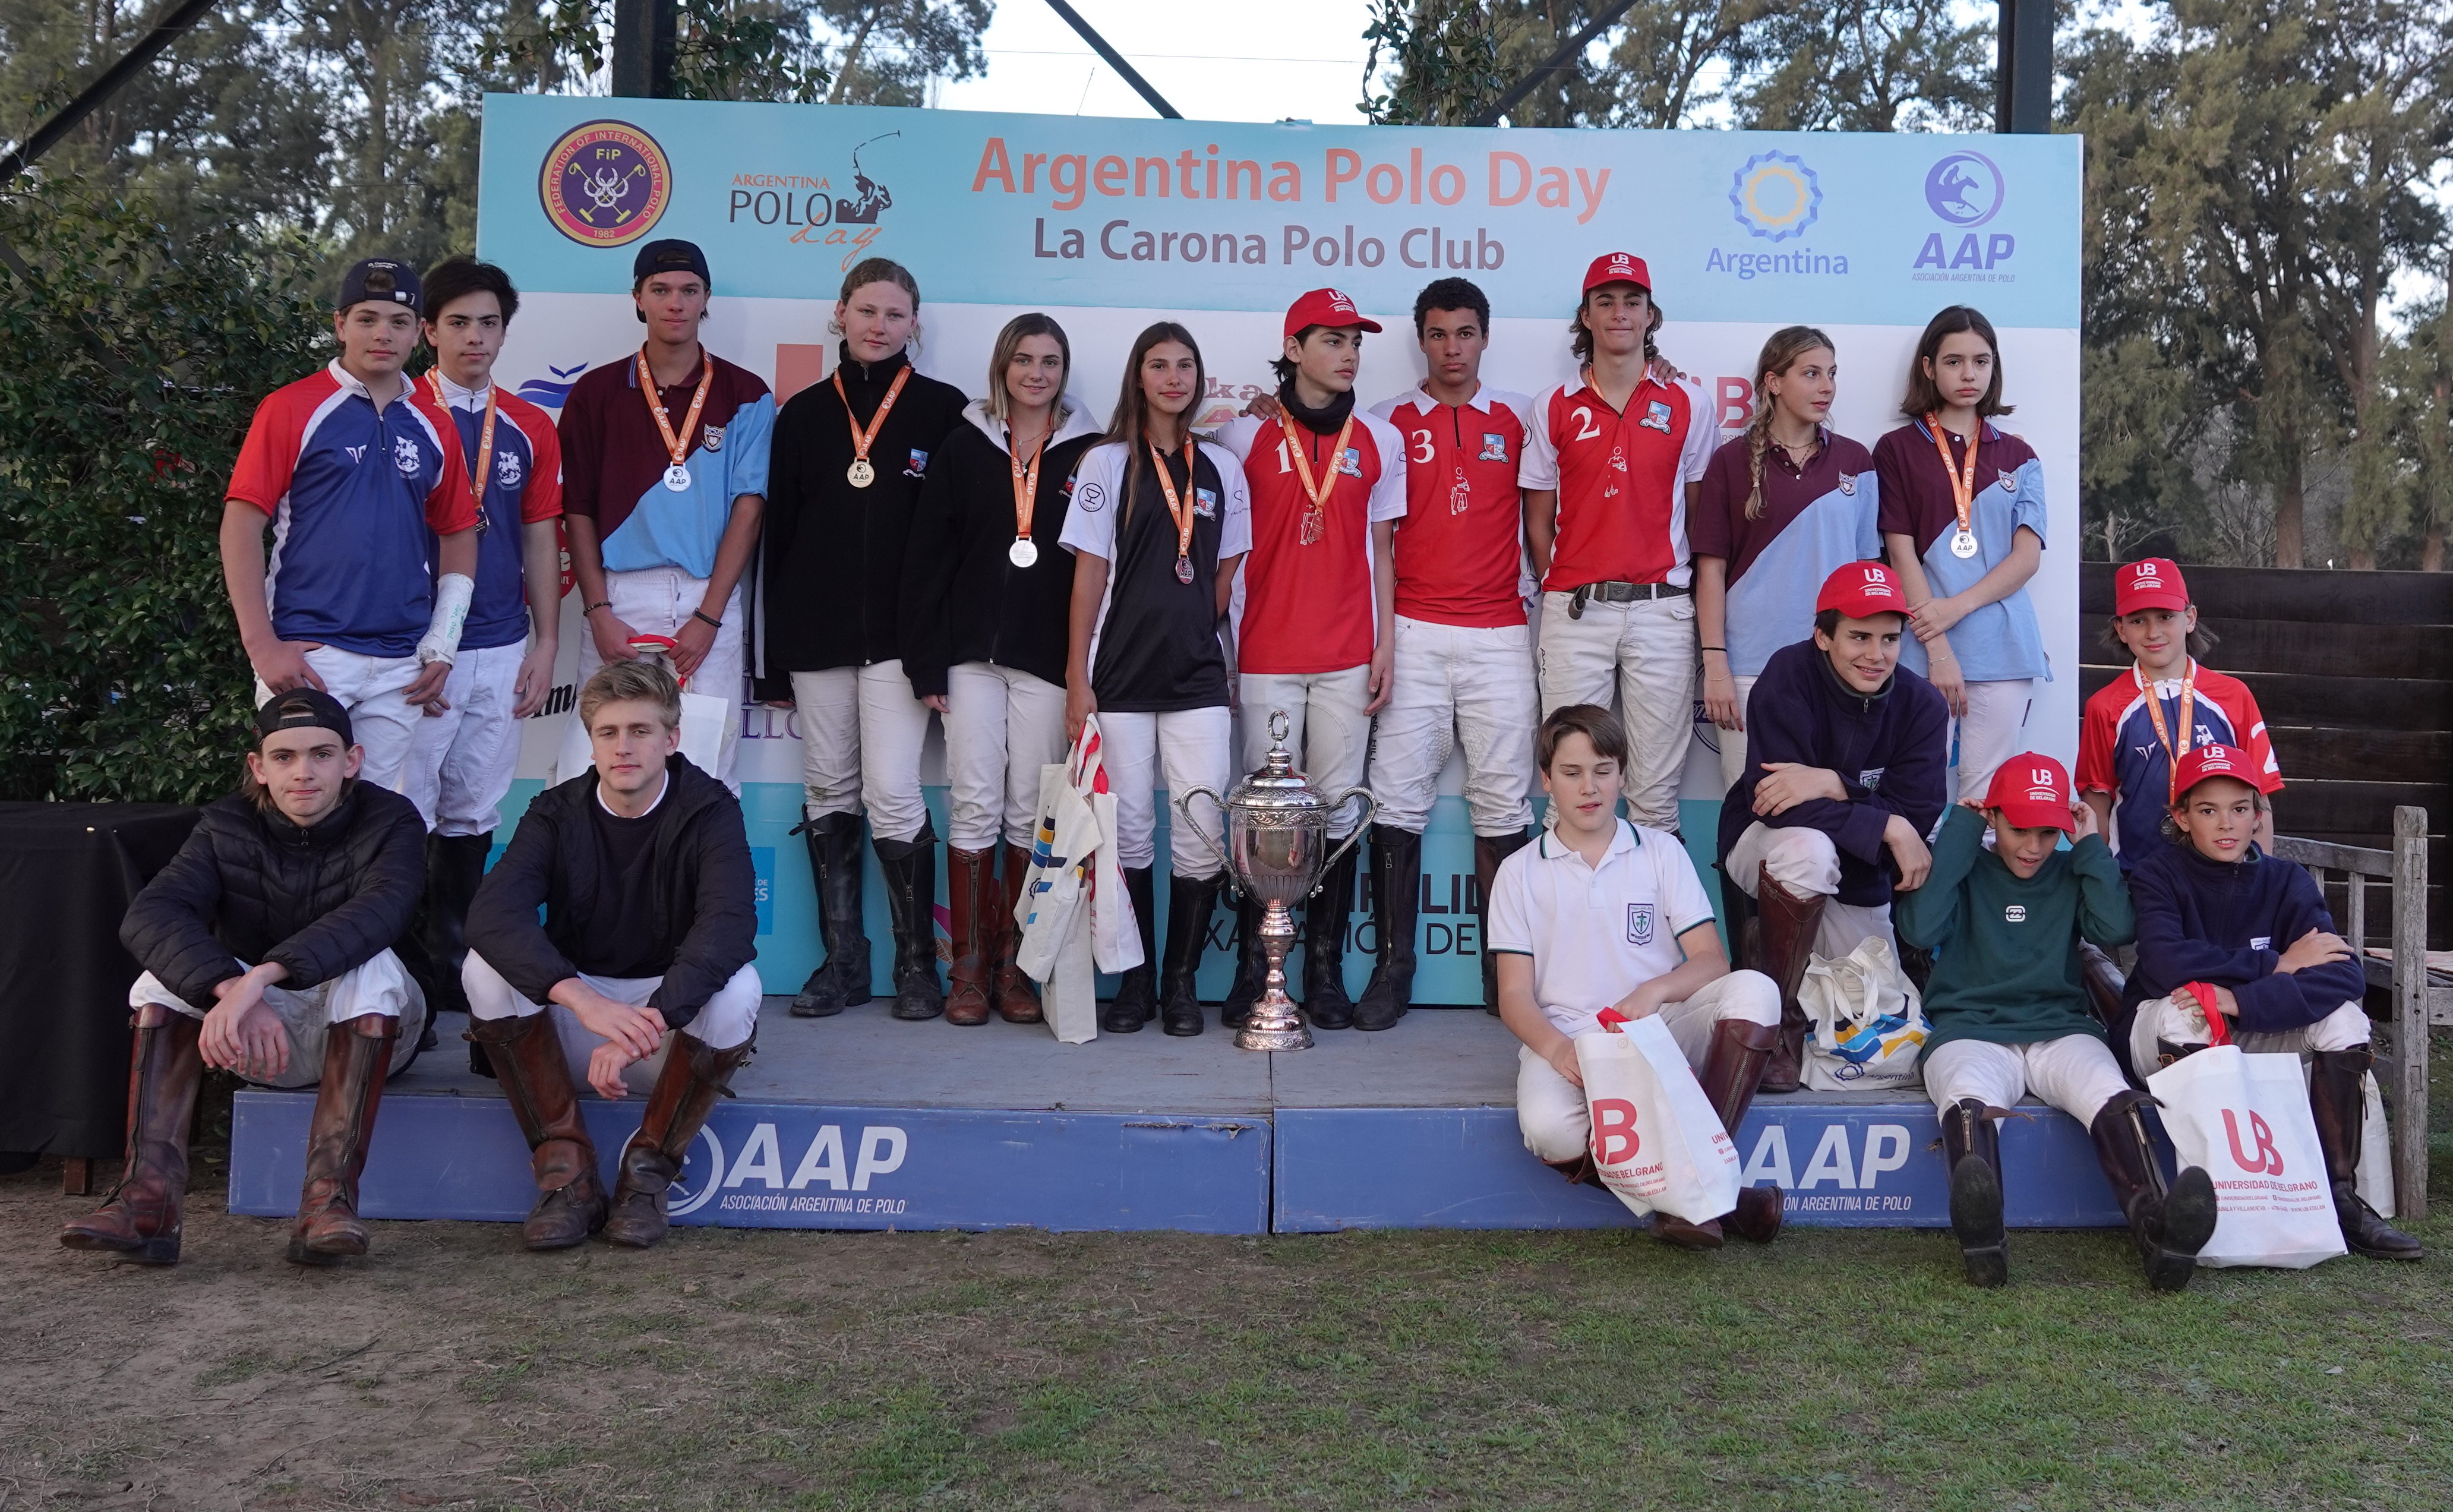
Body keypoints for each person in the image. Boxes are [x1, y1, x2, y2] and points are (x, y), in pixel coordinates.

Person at [64, 689, 430, 1267]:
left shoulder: (392, 819)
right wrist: (229, 990)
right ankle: (148, 1202)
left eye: (322, 754)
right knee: (159, 980)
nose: (303, 772)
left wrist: (256, 980)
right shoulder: (225, 823)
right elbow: (151, 914)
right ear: (259, 766)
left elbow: (380, 913)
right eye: (284, 757)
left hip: (369, 1024)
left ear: (352, 760)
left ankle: (326, 1205)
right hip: (256, 1035)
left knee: (373, 962)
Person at [462, 659, 760, 1251]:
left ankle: (646, 1177)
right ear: (591, 741)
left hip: (661, 1033)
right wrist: (583, 1001)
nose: (623, 747)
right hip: (575, 1026)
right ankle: (566, 1176)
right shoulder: (556, 810)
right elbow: (492, 915)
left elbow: (728, 925)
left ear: (671, 739)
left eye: (640, 731)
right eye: (608, 733)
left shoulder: (710, 808)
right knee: (483, 969)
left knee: (738, 989)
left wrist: (644, 1022)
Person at [1893, 753, 2218, 1291]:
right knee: (1966, 1096)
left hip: (2059, 1026)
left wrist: (2090, 845)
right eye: (2019, 828)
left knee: (2107, 1090)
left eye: (2049, 832)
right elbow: (1919, 927)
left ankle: (2157, 1231)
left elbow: (2115, 924)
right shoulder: (1967, 866)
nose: (2034, 846)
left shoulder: (2070, 871)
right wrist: (1959, 831)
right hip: (1970, 1027)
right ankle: (1984, 1239)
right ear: (1991, 816)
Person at [1488, 704, 1785, 1251]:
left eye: (1603, 770)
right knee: (1547, 1127)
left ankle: (1691, 1197)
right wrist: (1558, 1051)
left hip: (1660, 1029)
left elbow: (1709, 962)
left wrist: (1654, 990)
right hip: (1572, 1035)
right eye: (1572, 772)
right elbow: (1513, 996)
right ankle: (1718, 1200)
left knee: (1757, 989)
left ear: (1622, 774)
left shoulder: (1662, 851)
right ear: (1546, 779)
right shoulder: (1518, 871)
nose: (1589, 787)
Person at [2117, 743, 2421, 1260]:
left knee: (2344, 1018)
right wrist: (2276, 964)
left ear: (2258, 814)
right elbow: (2169, 963)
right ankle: (2214, 1201)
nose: (2226, 824)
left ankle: (2341, 1199)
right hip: (2163, 1033)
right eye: (2208, 810)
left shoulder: (2286, 880)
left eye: (2239, 808)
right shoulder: (2157, 872)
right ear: (2181, 817)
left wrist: (2239, 998)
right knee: (2185, 1006)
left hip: (2248, 1022)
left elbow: (2344, 974)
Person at [763, 258, 968, 1022]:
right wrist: (770, 657)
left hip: (899, 641)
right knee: (827, 790)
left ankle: (920, 967)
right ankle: (844, 960)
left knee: (891, 789)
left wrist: (937, 645)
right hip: (815, 636)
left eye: (894, 313)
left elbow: (958, 542)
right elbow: (777, 536)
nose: (879, 325)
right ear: (839, 315)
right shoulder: (805, 414)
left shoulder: (945, 411)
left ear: (915, 322)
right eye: (866, 311)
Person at [1212, 289, 1407, 1030]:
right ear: (1293, 350)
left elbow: (1383, 554)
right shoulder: (1241, 437)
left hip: (1346, 655)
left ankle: (1321, 969)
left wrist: (1384, 642)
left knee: (1329, 819)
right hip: (1265, 653)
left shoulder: (1380, 440)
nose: (1349, 352)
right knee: (1262, 816)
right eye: (1331, 339)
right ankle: (1254, 968)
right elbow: (1226, 555)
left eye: (1355, 340)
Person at [901, 314, 1102, 1025]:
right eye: (1023, 360)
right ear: (1002, 367)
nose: (1036, 374)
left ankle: (1016, 965)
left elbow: (1098, 567)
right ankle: (967, 968)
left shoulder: (1092, 453)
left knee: (1029, 811)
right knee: (975, 801)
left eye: (1050, 361)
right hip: (968, 660)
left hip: (1046, 662)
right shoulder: (963, 447)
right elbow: (927, 559)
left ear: (1064, 371)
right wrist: (926, 658)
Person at [220, 257, 479, 793]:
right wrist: (261, 646)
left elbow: (458, 531)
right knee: (296, 809)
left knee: (376, 822)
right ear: (340, 325)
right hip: (312, 654)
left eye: (398, 321)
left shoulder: (435, 423)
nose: (382, 334)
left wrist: (443, 641)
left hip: (401, 663)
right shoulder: (291, 407)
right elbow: (241, 524)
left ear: (418, 335)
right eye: (367, 319)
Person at [1061, 323, 1251, 1036]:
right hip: (1119, 676)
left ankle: (1179, 985)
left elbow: (1226, 571)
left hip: (1197, 676)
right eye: (1158, 365)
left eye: (1185, 366)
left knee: (1202, 827)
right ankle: (1136, 984)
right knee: (1131, 833)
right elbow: (1088, 577)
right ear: (1138, 377)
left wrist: (1192, 619)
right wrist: (1077, 681)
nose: (1173, 377)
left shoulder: (1223, 470)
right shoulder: (1108, 462)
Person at [1360, 276, 1539, 1026]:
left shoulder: (1521, 419)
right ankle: (1393, 966)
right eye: (1437, 335)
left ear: (1484, 337)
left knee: (1504, 801)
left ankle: (1508, 976)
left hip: (1501, 632)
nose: (1451, 348)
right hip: (1413, 632)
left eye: (1464, 333)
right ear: (1420, 340)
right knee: (1396, 800)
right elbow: (1373, 543)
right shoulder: (1385, 423)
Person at [400, 256, 565, 1024]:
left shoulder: (530, 425)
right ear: (428, 330)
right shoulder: (398, 413)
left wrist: (544, 643)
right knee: (403, 814)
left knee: (472, 814)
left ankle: (456, 971)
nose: (475, 337)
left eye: (489, 323)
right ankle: (398, 982)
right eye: (458, 323)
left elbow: (540, 538)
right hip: (411, 647)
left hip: (500, 642)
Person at [1715, 563, 1948, 1090]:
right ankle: (1780, 1025)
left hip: (1862, 873)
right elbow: (1777, 803)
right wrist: (1884, 819)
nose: (1876, 654)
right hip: (1763, 844)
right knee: (1810, 848)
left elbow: (1915, 815)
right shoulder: (1787, 674)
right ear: (1823, 636)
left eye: (1889, 639)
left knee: (1879, 1018)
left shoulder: (1922, 705)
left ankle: (1764, 949)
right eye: (1858, 636)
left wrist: (1834, 784)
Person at [554, 237, 773, 790]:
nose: (675, 302)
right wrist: (598, 608)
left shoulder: (746, 393)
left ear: (705, 300)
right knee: (599, 761)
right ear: (638, 299)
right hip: (619, 595)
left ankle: (694, 879)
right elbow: (575, 507)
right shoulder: (596, 391)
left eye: (688, 290)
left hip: (708, 595)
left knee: (708, 767)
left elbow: (749, 509)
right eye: (661, 290)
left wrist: (709, 615)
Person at [1520, 252, 1716, 837]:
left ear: (1650, 315)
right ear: (1585, 316)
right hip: (1577, 608)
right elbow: (1538, 520)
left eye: (1632, 302)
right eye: (1605, 301)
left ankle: (1651, 928)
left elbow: (1698, 509)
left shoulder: (1690, 402)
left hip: (1662, 607)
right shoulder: (1553, 404)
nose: (1619, 313)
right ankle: (1565, 928)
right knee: (1568, 791)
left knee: (1655, 798)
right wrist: (1562, 583)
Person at [1691, 327, 1880, 790]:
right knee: (1749, 810)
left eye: (1831, 374)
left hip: (1836, 665)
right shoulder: (1729, 461)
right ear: (1773, 382)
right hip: (1749, 666)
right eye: (1811, 373)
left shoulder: (1856, 461)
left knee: (1832, 809)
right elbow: (1710, 570)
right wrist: (1715, 664)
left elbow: (1866, 573)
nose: (1826, 387)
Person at [1874, 306, 2049, 802]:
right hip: (1922, 650)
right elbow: (1898, 550)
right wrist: (1939, 648)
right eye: (1953, 361)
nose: (1968, 374)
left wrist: (1955, 607)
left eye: (1981, 361)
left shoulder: (2020, 455)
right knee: (1917, 794)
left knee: (1987, 799)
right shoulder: (1895, 449)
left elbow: (2026, 559)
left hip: (2003, 648)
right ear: (1928, 367)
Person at [2078, 557, 2281, 870]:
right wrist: (2104, 880)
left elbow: (2260, 797)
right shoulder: (2104, 706)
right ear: (2120, 629)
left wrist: (2259, 877)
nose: (2153, 632)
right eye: (2138, 620)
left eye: (2165, 617)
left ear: (2190, 618)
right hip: (2138, 876)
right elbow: (2098, 803)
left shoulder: (2233, 695)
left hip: (2223, 877)